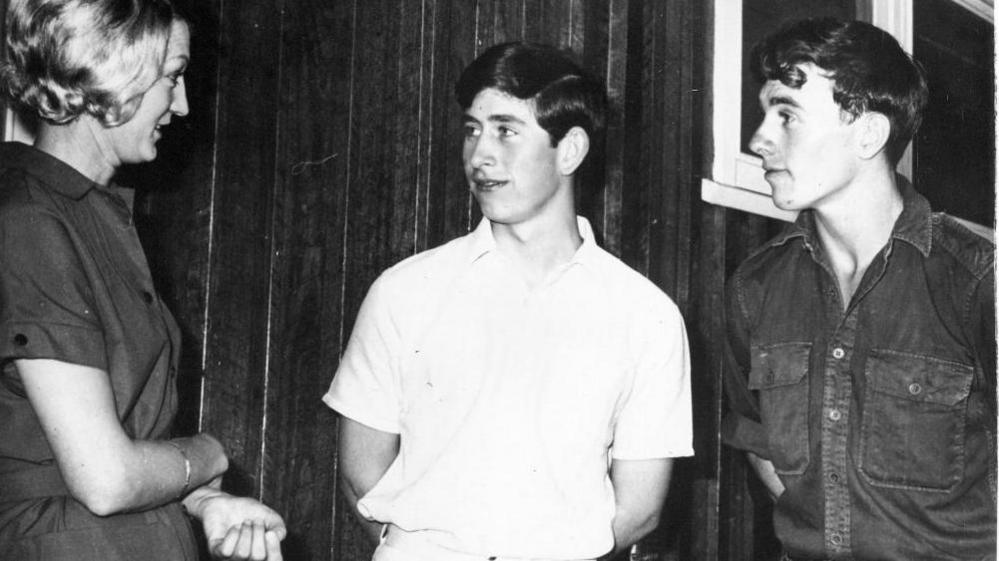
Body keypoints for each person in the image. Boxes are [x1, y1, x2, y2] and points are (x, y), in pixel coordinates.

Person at [324, 41, 693, 561]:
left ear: (570, 151)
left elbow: (641, 506)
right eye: (472, 130)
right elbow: (360, 471)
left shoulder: (646, 315)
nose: (480, 155)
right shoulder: (405, 291)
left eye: (506, 131)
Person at [0, 1, 286, 559]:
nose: (180, 105)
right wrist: (209, 453)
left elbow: (114, 444)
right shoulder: (31, 221)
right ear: (115, 73)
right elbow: (104, 478)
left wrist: (204, 502)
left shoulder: (86, 214)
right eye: (172, 76)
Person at [721, 17, 996, 561]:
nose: (758, 140)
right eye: (763, 115)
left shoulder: (976, 280)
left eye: (787, 117)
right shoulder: (755, 288)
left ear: (868, 133)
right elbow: (757, 440)